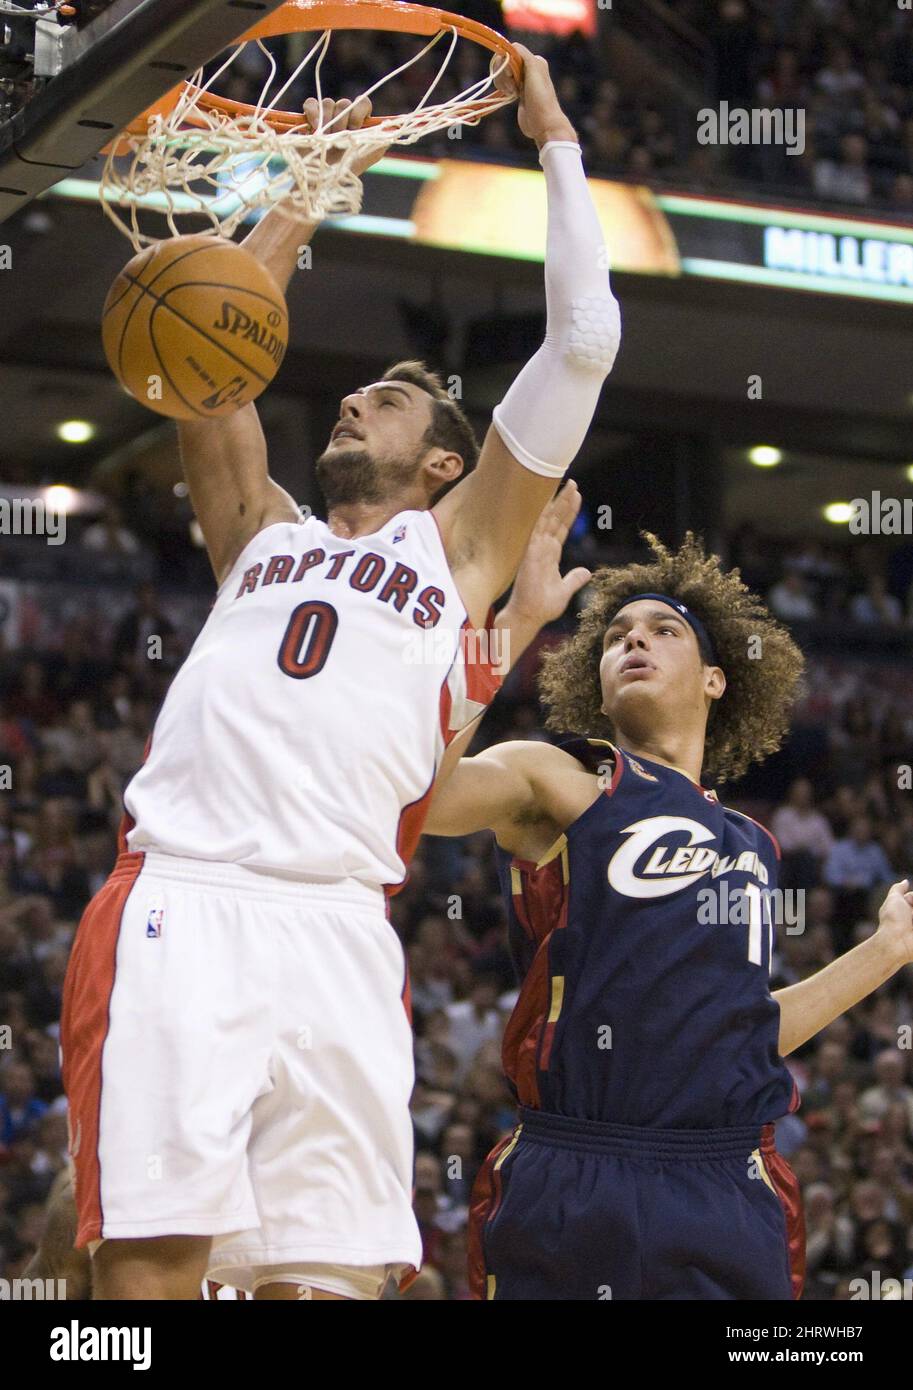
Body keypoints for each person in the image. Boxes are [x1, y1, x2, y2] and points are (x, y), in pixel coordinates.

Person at [60, 53, 622, 1302]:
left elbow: (584, 339)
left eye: (393, 401)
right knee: (146, 1278)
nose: (357, 399)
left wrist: (556, 145)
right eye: (357, 394)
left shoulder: (461, 550)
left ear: (442, 467)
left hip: (341, 930)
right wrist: (309, 183)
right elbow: (211, 336)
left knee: (328, 1282)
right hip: (185, 901)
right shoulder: (256, 528)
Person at [424, 516, 913, 1299]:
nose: (631, 641)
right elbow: (425, 793)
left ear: (716, 679)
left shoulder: (752, 842)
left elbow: (744, 1029)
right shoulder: (564, 780)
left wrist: (887, 949)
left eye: (661, 629)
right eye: (615, 634)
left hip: (727, 1180)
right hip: (579, 1168)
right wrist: (509, 629)